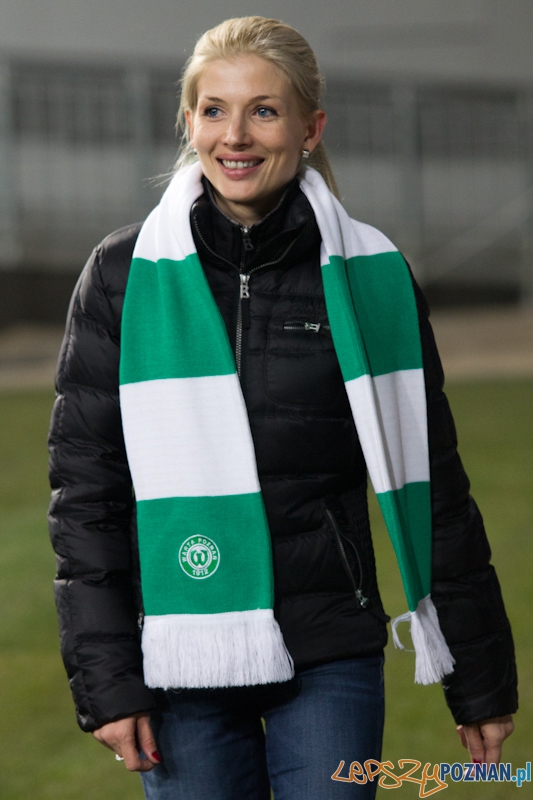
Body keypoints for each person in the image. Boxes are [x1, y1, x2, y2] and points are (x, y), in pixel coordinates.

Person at [48, 16, 517, 800]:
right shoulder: (120, 276)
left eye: (264, 110)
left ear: (310, 127)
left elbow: (434, 488)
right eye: (213, 109)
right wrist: (107, 680)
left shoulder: (374, 277)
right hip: (178, 652)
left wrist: (478, 679)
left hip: (326, 646)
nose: (236, 135)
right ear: (188, 121)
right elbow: (86, 495)